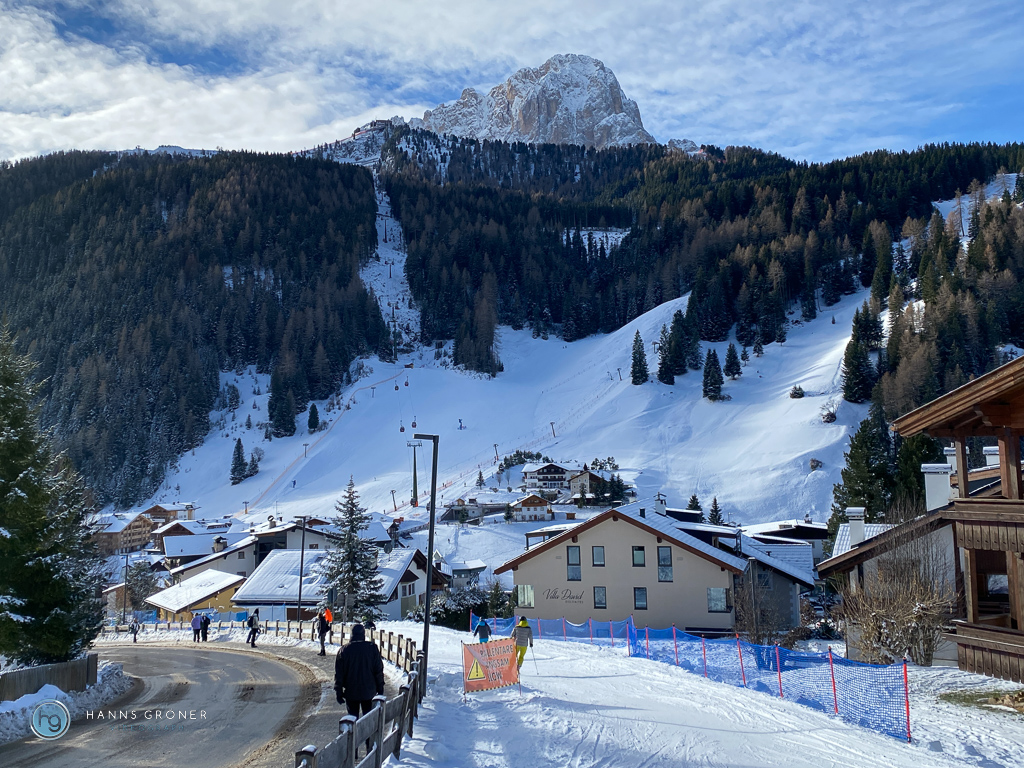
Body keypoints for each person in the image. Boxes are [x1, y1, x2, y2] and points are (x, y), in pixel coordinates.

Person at [335, 624, 384, 751]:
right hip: (369, 691)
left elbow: (339, 674)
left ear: (351, 635)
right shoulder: (372, 648)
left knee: (352, 720)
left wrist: (338, 691)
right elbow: (378, 670)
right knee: (368, 720)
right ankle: (369, 747)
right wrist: (380, 687)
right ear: (363, 634)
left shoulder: (344, 650)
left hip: (351, 692)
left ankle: (353, 750)